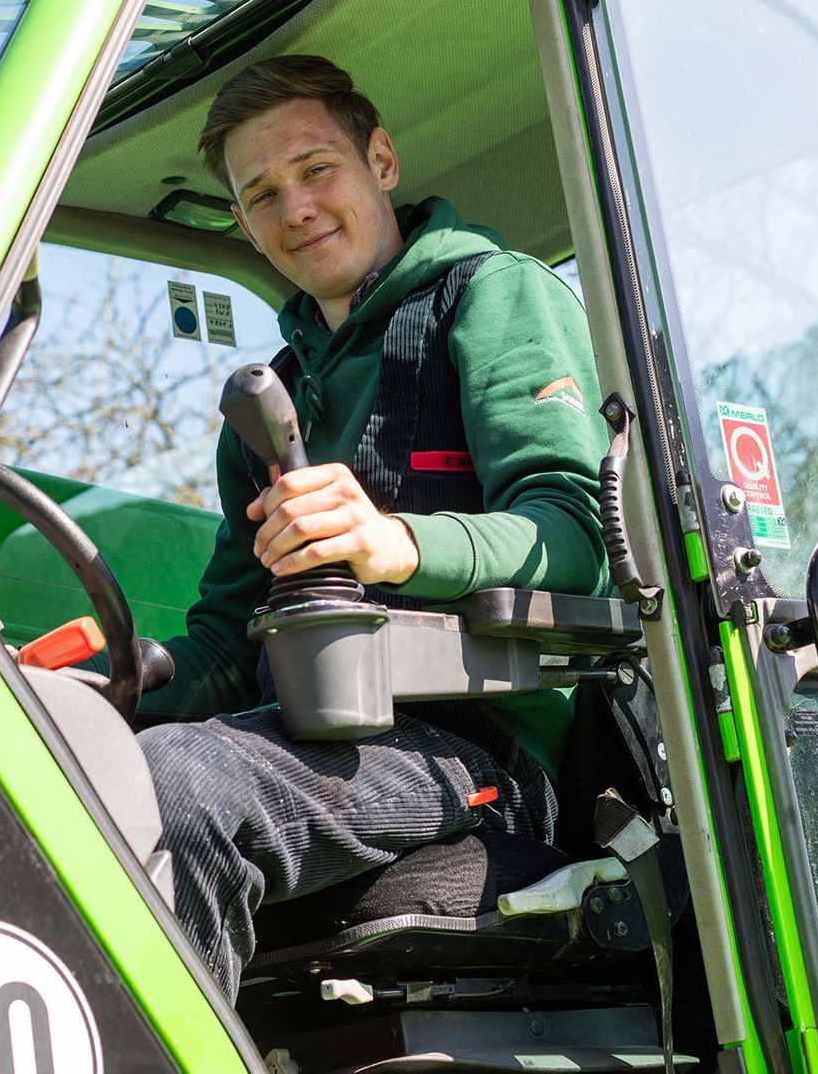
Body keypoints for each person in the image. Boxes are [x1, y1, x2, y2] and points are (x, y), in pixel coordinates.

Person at [137, 54, 608, 999]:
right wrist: (99, 684)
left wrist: (399, 543)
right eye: (262, 193)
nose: (296, 207)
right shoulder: (266, 405)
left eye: (317, 169)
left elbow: (576, 535)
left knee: (180, 791)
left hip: (486, 753)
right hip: (318, 732)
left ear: (381, 162)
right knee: (72, 764)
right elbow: (229, 643)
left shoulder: (489, 295)